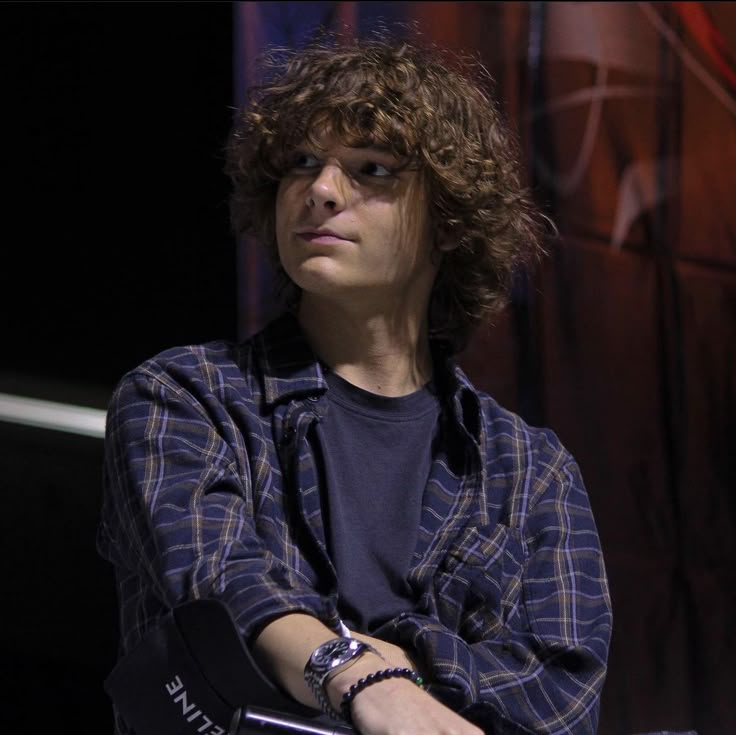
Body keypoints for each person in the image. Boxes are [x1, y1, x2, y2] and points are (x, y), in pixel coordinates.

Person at [98, 31, 612, 735]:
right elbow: (221, 588)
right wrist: (359, 675)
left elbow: (560, 698)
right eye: (302, 164)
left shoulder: (531, 471)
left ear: (449, 224)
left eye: (370, 168)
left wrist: (393, 666)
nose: (320, 191)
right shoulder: (183, 398)